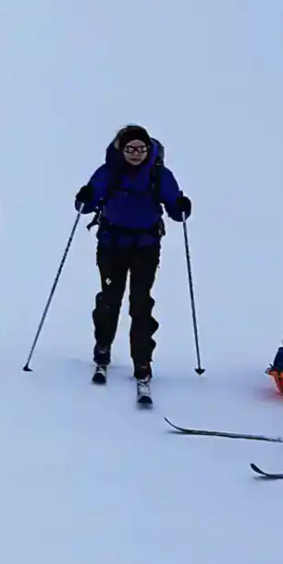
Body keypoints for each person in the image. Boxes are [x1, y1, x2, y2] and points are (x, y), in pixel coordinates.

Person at [73, 124, 191, 399]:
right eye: (130, 149)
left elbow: (174, 208)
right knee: (109, 299)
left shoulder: (159, 175)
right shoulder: (109, 171)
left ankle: (142, 360)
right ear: (121, 149)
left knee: (140, 303)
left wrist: (181, 206)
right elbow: (87, 205)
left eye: (141, 148)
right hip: (112, 245)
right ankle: (102, 347)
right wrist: (85, 197)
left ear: (149, 150)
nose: (136, 154)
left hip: (146, 247)